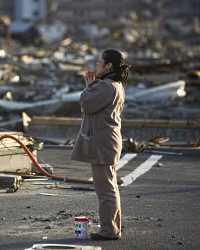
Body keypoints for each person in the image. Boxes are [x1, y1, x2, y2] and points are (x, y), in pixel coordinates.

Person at [70, 49, 131, 240]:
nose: (96, 65)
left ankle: (109, 230)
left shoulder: (106, 86)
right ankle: (112, 228)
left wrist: (89, 87)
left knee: (105, 189)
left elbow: (86, 103)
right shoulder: (114, 85)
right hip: (108, 142)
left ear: (108, 66)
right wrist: (93, 85)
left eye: (99, 62)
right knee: (109, 186)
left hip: (103, 144)